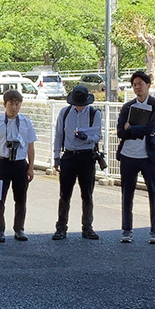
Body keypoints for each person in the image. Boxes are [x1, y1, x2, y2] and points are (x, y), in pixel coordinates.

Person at [0, 89, 37, 243]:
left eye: (17, 104)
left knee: (21, 198)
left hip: (20, 163)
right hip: (2, 163)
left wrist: (31, 167)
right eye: (11, 104)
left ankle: (19, 229)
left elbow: (30, 147)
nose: (14, 107)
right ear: (4, 104)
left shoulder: (26, 123)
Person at [52, 85, 102, 240]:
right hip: (69, 156)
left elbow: (97, 135)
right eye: (77, 103)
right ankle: (61, 228)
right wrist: (56, 156)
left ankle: (88, 227)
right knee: (64, 194)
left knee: (87, 194)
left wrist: (86, 137)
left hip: (87, 156)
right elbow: (59, 134)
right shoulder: (65, 112)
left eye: (82, 103)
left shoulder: (95, 113)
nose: (79, 106)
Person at [116, 71, 155, 243]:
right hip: (128, 155)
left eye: (140, 84)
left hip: (149, 155)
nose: (137, 87)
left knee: (153, 193)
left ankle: (154, 231)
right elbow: (119, 132)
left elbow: (151, 127)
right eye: (134, 85)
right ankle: (126, 230)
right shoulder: (127, 107)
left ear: (148, 85)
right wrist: (134, 130)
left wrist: (131, 129)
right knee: (127, 193)